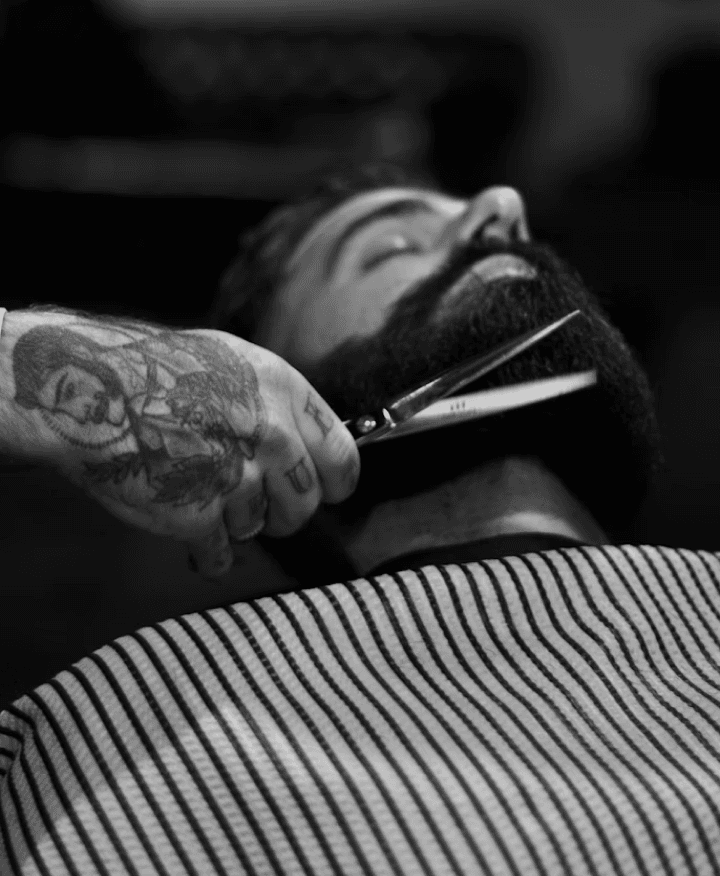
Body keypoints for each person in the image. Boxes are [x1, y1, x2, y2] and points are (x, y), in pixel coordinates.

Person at [3, 162, 720, 875]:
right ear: (268, 404)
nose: (504, 206)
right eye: (393, 248)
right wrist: (18, 369)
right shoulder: (110, 736)